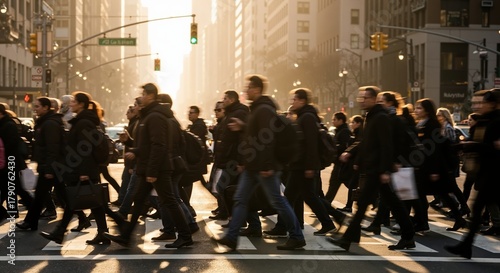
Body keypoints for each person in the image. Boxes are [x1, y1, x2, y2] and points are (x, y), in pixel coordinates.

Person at [212, 74, 305, 250]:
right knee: (240, 198)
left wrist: (267, 166)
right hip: (254, 165)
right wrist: (243, 127)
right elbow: (256, 134)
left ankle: (296, 236)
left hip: (263, 166)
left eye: (248, 87)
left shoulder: (263, 109)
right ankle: (232, 237)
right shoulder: (258, 109)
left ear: (257, 89)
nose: (246, 91)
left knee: (277, 200)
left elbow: (267, 139)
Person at [104, 83, 193, 249]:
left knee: (169, 201)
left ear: (151, 96)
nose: (141, 97)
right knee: (138, 201)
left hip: (158, 169)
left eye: (143, 94)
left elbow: (159, 145)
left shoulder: (155, 116)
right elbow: (146, 146)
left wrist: (152, 171)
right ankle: (126, 236)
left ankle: (185, 235)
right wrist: (129, 142)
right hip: (149, 167)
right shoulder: (148, 116)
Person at [327, 86, 415, 251]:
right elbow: (365, 142)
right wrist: (356, 158)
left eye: (365, 97)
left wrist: (384, 170)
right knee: (392, 202)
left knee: (362, 204)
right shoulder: (371, 116)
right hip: (372, 167)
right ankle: (408, 235)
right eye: (360, 97)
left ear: (374, 99)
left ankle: (347, 238)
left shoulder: (380, 118)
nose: (361, 100)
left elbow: (386, 145)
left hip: (377, 169)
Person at [39, 92, 108, 245]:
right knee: (93, 202)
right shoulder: (82, 121)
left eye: (74, 102)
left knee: (77, 202)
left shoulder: (84, 122)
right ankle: (103, 232)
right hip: (81, 168)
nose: (71, 104)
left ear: (81, 104)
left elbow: (86, 149)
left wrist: (84, 172)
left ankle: (60, 232)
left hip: (83, 170)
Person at [266, 88, 337, 236]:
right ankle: (328, 222)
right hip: (300, 165)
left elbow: (310, 144)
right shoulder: (304, 116)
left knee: (299, 197)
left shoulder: (307, 117)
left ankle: (283, 227)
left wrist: (310, 167)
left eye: (294, 100)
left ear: (302, 101)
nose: (292, 102)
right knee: (303, 196)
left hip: (303, 166)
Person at [445, 90, 500, 258]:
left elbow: (496, 147)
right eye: (475, 103)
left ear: (491, 104)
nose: (477, 106)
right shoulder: (485, 120)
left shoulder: (497, 121)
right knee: (477, 210)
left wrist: (470, 146)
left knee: (478, 210)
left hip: (495, 173)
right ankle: (466, 246)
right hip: (487, 173)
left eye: (480, 103)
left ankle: (466, 246)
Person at [16, 97, 65, 231]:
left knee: (43, 196)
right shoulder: (45, 122)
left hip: (50, 167)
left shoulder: (49, 124)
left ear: (46, 107)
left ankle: (30, 222)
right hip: (48, 165)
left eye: (37, 106)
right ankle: (31, 222)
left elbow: (52, 148)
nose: (34, 109)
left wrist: (49, 169)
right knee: (56, 195)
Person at [210, 91, 250, 222]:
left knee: (225, 188)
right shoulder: (231, 114)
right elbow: (224, 136)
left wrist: (241, 161)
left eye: (225, 98)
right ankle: (239, 219)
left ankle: (237, 218)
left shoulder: (239, 113)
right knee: (232, 190)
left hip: (234, 159)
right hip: (229, 159)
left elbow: (242, 139)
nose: (223, 100)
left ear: (232, 100)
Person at [325, 112, 353, 203]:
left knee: (339, 182)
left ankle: (326, 204)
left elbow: (345, 146)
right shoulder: (340, 130)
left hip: (342, 162)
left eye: (334, 119)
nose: (333, 121)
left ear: (341, 120)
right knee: (336, 183)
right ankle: (326, 203)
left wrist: (334, 148)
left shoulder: (344, 131)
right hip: (339, 162)